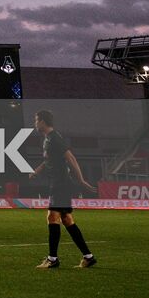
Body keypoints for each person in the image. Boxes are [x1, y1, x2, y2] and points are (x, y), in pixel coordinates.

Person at [30, 108, 98, 269]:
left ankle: (52, 259)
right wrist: (37, 172)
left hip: (61, 184)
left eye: (36, 120)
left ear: (43, 122)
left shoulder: (55, 138)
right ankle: (88, 257)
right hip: (57, 183)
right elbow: (49, 160)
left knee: (52, 217)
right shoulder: (47, 139)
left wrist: (81, 180)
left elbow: (71, 158)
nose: (35, 123)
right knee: (67, 220)